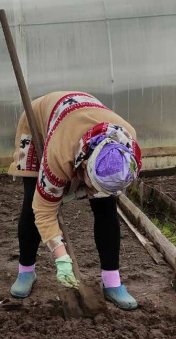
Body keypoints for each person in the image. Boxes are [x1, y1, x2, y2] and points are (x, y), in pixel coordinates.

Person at [8, 91, 141, 310]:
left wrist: (98, 189)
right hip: (39, 123)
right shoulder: (60, 155)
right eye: (91, 185)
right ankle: (26, 271)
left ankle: (111, 281)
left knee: (106, 209)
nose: (90, 191)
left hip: (80, 118)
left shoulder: (126, 144)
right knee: (32, 202)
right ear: (84, 164)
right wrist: (61, 258)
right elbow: (44, 210)